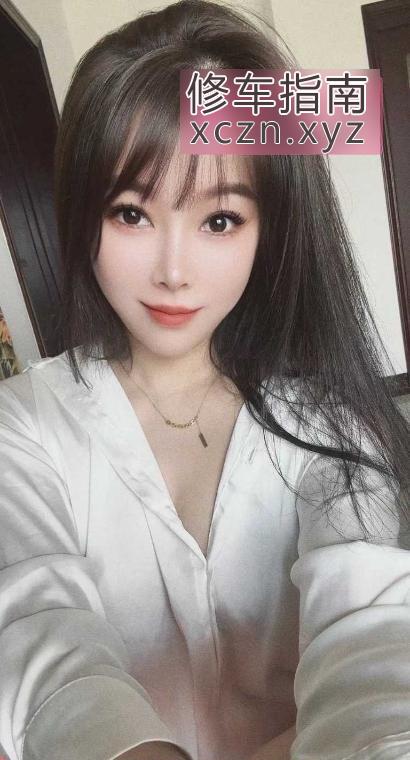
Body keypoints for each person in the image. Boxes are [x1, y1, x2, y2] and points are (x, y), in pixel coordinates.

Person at [1, 1, 410, 759]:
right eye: (131, 213)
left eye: (219, 220)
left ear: (271, 228)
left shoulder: (334, 427)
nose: (173, 271)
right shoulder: (23, 423)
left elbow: (376, 645)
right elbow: (37, 635)